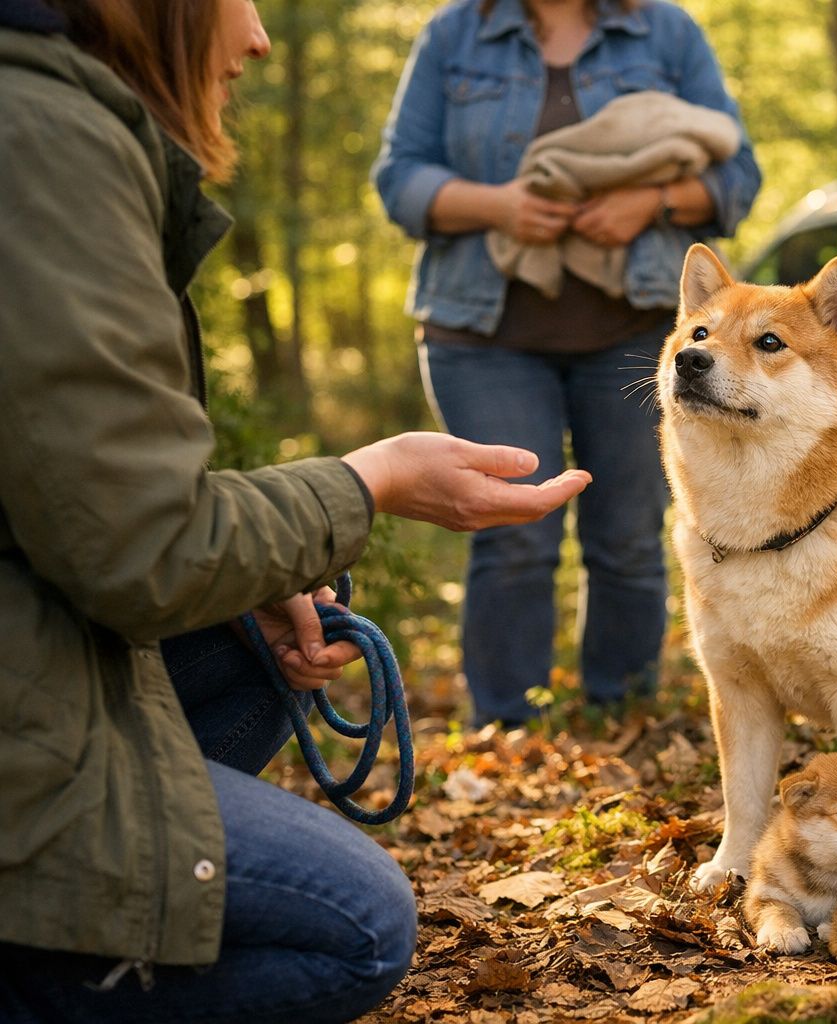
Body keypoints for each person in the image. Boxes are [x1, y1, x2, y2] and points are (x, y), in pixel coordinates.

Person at [0, 0, 590, 1020]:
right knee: (360, 922)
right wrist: (374, 481)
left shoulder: (53, 117)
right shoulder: (43, 136)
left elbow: (87, 509)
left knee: (268, 623)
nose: (261, 35)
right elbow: (145, 546)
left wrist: (275, 565)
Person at [372, 0, 761, 728]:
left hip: (635, 330)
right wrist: (497, 206)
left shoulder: (665, 32)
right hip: (482, 335)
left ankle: (623, 713)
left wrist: (651, 202)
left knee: (626, 535)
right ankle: (509, 725)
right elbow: (398, 179)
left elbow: (739, 174)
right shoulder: (454, 35)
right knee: (515, 531)